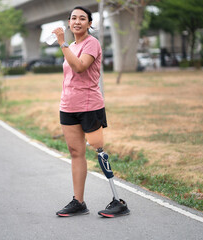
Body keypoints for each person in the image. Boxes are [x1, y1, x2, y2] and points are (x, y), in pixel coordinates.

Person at [52, 6, 130, 217]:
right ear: (69, 22)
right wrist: (66, 45)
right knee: (76, 153)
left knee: (99, 151)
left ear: (89, 23)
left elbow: (79, 67)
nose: (77, 21)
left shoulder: (91, 44)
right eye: (74, 18)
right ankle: (79, 202)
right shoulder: (73, 45)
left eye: (82, 18)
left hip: (89, 107)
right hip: (68, 107)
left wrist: (62, 43)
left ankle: (118, 201)